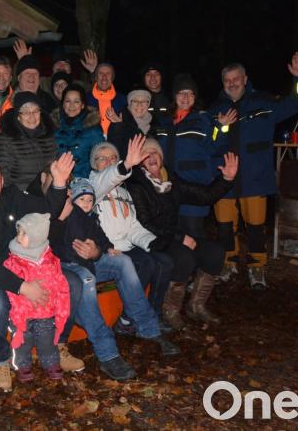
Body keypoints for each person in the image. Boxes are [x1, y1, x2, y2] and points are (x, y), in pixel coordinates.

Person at [0, 155, 84, 394]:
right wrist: (22, 286)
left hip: (23, 266)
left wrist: (58, 183)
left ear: (2, 180)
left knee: (72, 282)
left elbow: (45, 212)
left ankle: (58, 345)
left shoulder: (12, 197)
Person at [209, 53, 298, 289]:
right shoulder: (214, 109)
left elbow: (296, 102)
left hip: (255, 177)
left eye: (236, 79)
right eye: (227, 80)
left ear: (245, 79)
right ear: (223, 83)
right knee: (224, 225)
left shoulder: (263, 103)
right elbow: (210, 141)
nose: (232, 83)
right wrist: (220, 128)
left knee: (255, 226)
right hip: (223, 178)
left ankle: (257, 267)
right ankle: (228, 262)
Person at [128, 139, 237, 330]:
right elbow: (145, 223)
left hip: (174, 235)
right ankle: (170, 310)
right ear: (139, 160)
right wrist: (180, 238)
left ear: (162, 157)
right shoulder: (136, 184)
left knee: (215, 252)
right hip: (152, 239)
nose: (152, 157)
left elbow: (204, 196)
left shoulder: (171, 180)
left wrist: (226, 179)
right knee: (184, 257)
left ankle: (196, 305)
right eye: (146, 154)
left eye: (156, 152)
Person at [87, 139, 178, 353]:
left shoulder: (123, 192)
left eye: (113, 158)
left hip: (125, 246)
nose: (108, 162)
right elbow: (107, 180)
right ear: (94, 164)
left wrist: (151, 242)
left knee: (163, 262)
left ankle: (129, 319)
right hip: (105, 250)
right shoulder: (92, 186)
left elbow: (133, 227)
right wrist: (124, 165)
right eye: (102, 159)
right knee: (142, 263)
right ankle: (143, 324)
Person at [156, 74, 237, 239]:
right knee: (173, 232)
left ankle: (201, 263)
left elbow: (217, 148)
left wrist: (222, 128)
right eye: (181, 93)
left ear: (195, 97)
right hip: (168, 187)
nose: (185, 97)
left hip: (195, 186)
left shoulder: (203, 119)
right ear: (174, 96)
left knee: (193, 232)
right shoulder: (163, 122)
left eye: (190, 93)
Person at [4, 213, 70, 382]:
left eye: (23, 234)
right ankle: (22, 365)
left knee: (47, 341)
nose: (18, 237)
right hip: (22, 315)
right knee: (22, 342)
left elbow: (61, 286)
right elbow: (10, 286)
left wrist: (60, 311)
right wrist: (17, 312)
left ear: (36, 237)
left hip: (45, 313)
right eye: (18, 232)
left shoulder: (50, 260)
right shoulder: (13, 261)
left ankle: (51, 363)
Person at [0, 92, 58, 191]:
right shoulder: (5, 141)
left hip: (48, 194)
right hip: (20, 197)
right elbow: (2, 177)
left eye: (35, 111)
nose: (32, 116)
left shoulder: (48, 137)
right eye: (26, 112)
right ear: (18, 116)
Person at [51, 83, 104, 178]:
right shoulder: (52, 126)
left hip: (83, 179)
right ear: (62, 104)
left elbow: (102, 157)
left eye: (76, 101)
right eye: (68, 101)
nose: (71, 105)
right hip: (56, 177)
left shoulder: (93, 129)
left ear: (83, 105)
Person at [107, 89, 162, 160]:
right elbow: (115, 155)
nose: (139, 104)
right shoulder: (118, 124)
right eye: (135, 101)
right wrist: (121, 127)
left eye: (144, 101)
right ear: (129, 103)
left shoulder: (156, 123)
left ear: (148, 104)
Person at [87, 62, 127, 135]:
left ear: (112, 78)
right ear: (96, 77)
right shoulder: (86, 98)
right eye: (101, 73)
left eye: (108, 74)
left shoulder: (122, 100)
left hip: (115, 140)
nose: (104, 77)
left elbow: (129, 125)